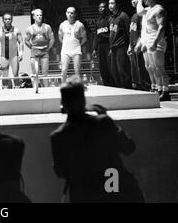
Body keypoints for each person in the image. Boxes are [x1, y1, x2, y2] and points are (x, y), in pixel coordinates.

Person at [50, 75, 145, 203]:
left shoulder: (58, 136)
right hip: (112, 186)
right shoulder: (102, 123)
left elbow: (61, 171)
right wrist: (108, 120)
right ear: (83, 101)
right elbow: (129, 147)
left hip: (83, 192)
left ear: (63, 104)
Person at [137, 0, 170, 101]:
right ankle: (159, 89)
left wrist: (155, 42)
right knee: (152, 68)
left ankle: (165, 92)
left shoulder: (158, 9)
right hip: (148, 41)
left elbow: (161, 28)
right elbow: (139, 10)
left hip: (157, 41)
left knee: (159, 67)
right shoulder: (147, 10)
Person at [25, 9, 54, 87]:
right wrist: (31, 47)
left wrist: (48, 48)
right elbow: (26, 41)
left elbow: (52, 39)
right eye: (37, 15)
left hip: (44, 51)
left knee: (45, 73)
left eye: (40, 15)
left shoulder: (47, 27)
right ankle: (35, 89)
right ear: (34, 17)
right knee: (35, 73)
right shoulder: (30, 29)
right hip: (35, 52)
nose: (39, 16)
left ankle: (46, 89)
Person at [127, 0, 151, 91]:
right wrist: (129, 45)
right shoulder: (133, 16)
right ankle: (140, 87)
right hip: (133, 45)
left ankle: (147, 88)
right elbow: (132, 32)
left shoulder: (142, 14)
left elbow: (143, 30)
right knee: (136, 69)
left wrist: (139, 43)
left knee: (142, 68)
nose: (134, 1)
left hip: (140, 45)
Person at [109, 0, 132, 89]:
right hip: (113, 48)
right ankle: (120, 90)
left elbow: (129, 32)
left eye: (112, 3)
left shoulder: (123, 16)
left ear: (117, 4)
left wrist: (130, 45)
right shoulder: (111, 18)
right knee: (114, 71)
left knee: (123, 70)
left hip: (122, 47)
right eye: (109, 3)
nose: (110, 5)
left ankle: (127, 90)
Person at [58, 7, 87, 84]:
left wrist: (77, 45)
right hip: (65, 50)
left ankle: (78, 87)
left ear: (75, 14)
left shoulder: (80, 25)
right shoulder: (62, 25)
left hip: (76, 50)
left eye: (72, 13)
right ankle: (63, 87)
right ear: (66, 13)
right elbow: (60, 37)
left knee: (77, 70)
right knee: (64, 70)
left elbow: (84, 38)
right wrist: (66, 44)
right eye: (68, 12)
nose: (70, 14)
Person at [0, 13, 24, 89]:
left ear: (12, 20)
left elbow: (21, 42)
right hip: (4, 56)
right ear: (3, 20)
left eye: (9, 19)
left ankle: (17, 90)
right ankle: (5, 91)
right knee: (4, 75)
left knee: (15, 74)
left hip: (14, 55)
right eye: (6, 19)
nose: (7, 21)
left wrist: (21, 53)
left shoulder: (16, 30)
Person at [92, 2, 113, 87]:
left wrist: (111, 47)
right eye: (100, 7)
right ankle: (106, 84)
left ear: (106, 8)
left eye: (103, 7)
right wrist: (94, 48)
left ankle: (113, 84)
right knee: (102, 67)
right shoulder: (98, 21)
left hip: (108, 45)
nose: (101, 9)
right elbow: (96, 36)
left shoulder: (110, 19)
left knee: (109, 66)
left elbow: (112, 34)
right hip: (100, 46)